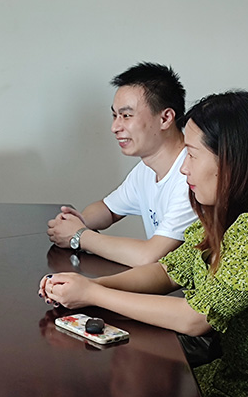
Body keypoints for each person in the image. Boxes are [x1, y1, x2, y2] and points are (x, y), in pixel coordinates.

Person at [40, 90, 248, 397]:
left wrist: (93, 294)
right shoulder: (225, 213)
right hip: (223, 374)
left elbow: (195, 318)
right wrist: (92, 286)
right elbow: (167, 271)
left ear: (230, 160)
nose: (184, 169)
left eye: (191, 155)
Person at [47, 63, 196, 267]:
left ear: (165, 118)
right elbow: (108, 209)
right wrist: (76, 221)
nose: (115, 127)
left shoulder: (191, 176)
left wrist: (79, 235)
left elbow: (149, 257)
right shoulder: (145, 169)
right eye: (115, 116)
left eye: (126, 116)